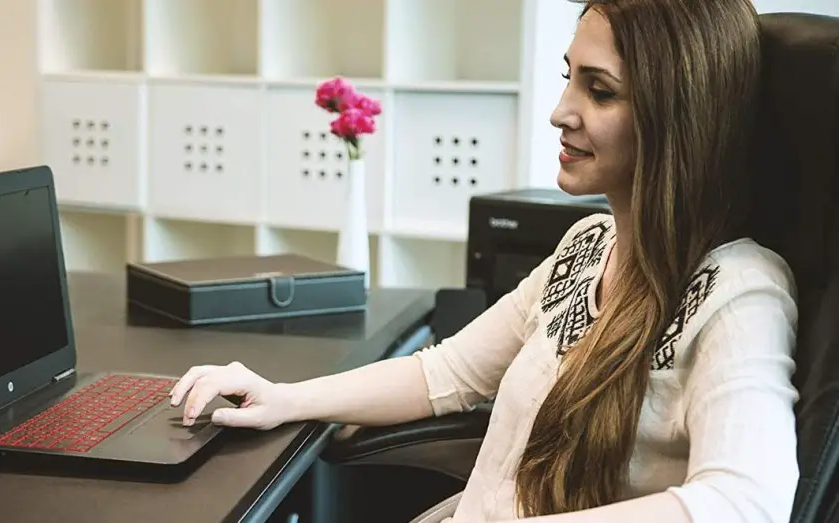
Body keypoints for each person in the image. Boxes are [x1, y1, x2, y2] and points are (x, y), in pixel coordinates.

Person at [168, 0, 801, 521]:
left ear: (677, 116)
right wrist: (283, 398)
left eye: (599, 91)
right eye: (568, 77)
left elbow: (745, 501)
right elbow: (443, 374)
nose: (561, 113)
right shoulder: (586, 246)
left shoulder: (740, 290)